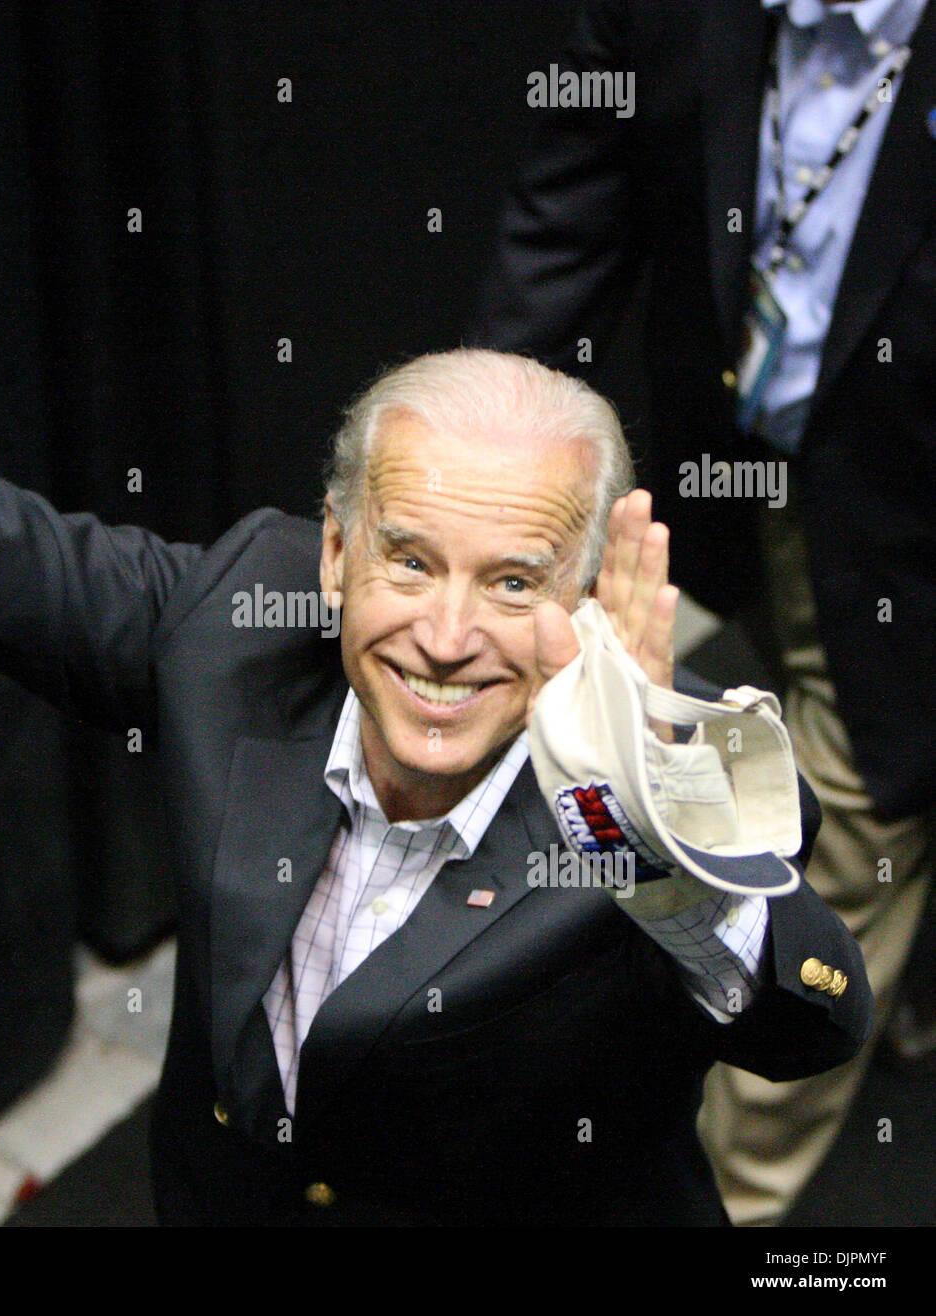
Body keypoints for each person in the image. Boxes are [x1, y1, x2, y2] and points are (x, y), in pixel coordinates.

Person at [0, 33, 870, 1225]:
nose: (447, 632)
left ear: (582, 603)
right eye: (408, 560)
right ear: (331, 553)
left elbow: (815, 1019)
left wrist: (644, 830)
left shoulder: (661, 789)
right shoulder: (236, 621)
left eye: (515, 584)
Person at [475, 0, 936, 1223]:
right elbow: (564, 226)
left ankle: (733, 1194)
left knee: (855, 816)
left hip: (914, 525)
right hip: (736, 464)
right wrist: (478, 481)